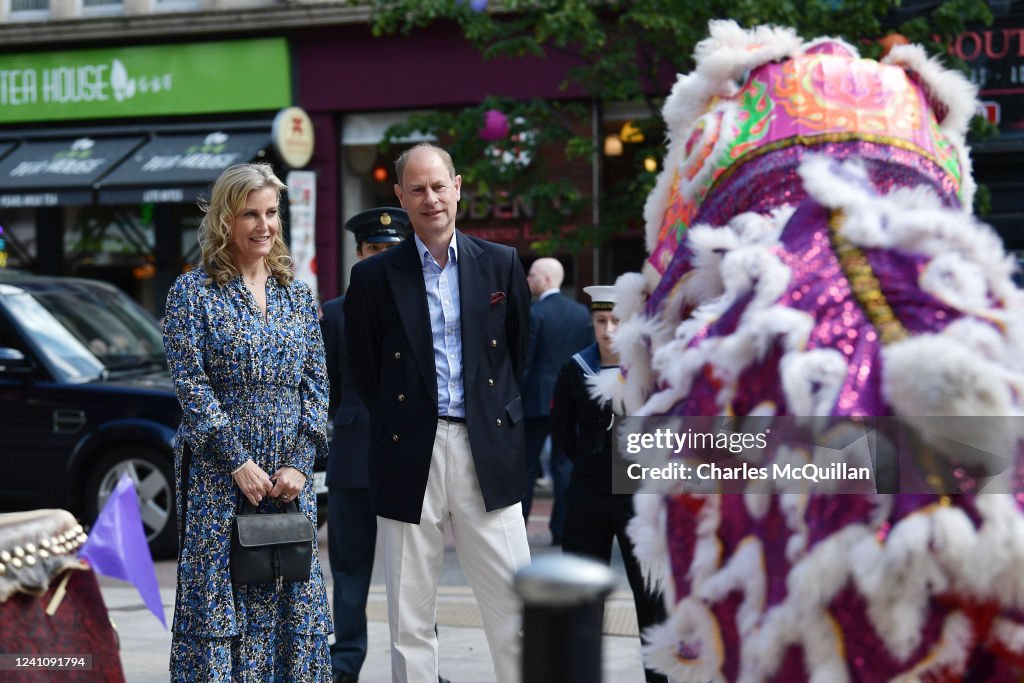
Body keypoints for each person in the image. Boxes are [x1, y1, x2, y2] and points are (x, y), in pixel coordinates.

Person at [343, 142, 532, 683]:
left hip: (486, 448)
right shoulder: (374, 278)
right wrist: (406, 420)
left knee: (515, 608)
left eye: (439, 185)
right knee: (409, 619)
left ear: (458, 185)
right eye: (418, 189)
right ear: (401, 197)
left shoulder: (500, 264)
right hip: (408, 451)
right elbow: (367, 369)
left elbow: (518, 354)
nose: (431, 199)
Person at [163, 162, 332, 682]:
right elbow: (191, 384)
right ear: (224, 221)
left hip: (286, 480)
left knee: (289, 593)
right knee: (222, 601)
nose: (264, 225)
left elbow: (318, 385)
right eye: (250, 214)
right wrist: (237, 460)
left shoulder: (297, 294)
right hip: (219, 477)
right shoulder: (192, 293)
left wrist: (300, 465)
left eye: (272, 213)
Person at [551, 285, 667, 683]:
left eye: (616, 321)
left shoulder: (650, 370)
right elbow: (562, 432)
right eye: (601, 321)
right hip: (588, 493)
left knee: (651, 595)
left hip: (638, 493)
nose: (608, 329)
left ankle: (659, 677)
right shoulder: (575, 368)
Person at [518, 257, 593, 544]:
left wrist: (515, 397)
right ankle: (561, 529)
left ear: (548, 279)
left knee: (524, 466)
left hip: (535, 400)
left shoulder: (535, 313)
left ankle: (517, 530)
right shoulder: (581, 313)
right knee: (565, 466)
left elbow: (525, 361)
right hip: (570, 401)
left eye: (533, 275)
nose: (528, 279)